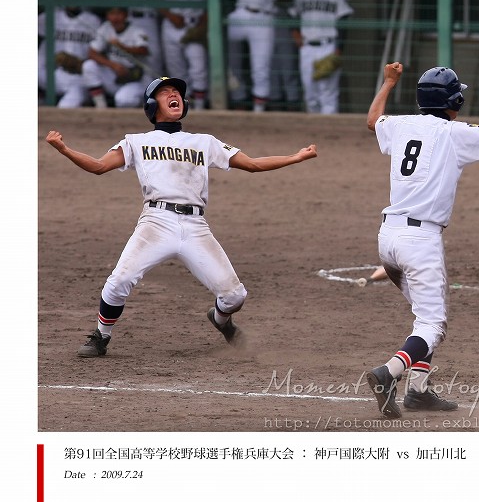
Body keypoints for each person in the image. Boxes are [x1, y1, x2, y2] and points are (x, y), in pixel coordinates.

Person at [45, 77, 318, 358]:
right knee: (119, 281)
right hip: (155, 222)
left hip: (195, 226)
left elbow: (251, 164)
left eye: (177, 92)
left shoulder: (204, 142)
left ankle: (221, 320)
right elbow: (99, 166)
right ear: (152, 106)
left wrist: (295, 157)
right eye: (165, 92)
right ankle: (101, 336)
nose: (174, 94)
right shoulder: (136, 142)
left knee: (235, 296)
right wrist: (64, 150)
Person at [364, 62, 479, 418]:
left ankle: (418, 391)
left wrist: (387, 82)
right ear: (453, 99)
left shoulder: (399, 125)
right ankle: (390, 373)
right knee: (432, 324)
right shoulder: (452, 133)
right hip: (420, 241)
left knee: (424, 318)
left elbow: (373, 120)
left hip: (388, 238)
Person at [225, 0, 296, 111]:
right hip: (240, 13)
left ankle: (259, 109)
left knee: (261, 67)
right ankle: (239, 99)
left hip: (265, 16)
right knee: (229, 61)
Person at [289, 0, 353, 114]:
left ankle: (330, 134)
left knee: (328, 94)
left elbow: (343, 20)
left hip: (328, 46)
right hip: (307, 47)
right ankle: (315, 131)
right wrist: (295, 33)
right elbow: (292, 15)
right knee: (310, 93)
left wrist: (339, 49)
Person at [151, 0, 209, 109]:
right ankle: (184, 105)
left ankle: (201, 106)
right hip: (171, 24)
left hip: (194, 23)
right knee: (176, 70)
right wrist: (170, 15)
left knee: (198, 67)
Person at [38, 0, 102, 107]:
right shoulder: (48, 17)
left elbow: (99, 50)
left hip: (78, 76)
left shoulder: (93, 20)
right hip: (50, 73)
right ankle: (41, 94)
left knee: (67, 105)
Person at [82, 0, 150, 108]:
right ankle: (101, 107)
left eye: (118, 13)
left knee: (123, 100)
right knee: (89, 66)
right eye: (112, 14)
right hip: (115, 74)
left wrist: (123, 47)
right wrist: (113, 65)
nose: (115, 18)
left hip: (135, 79)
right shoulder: (106, 28)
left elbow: (144, 50)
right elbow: (92, 53)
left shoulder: (137, 31)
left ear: (126, 15)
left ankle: (142, 104)